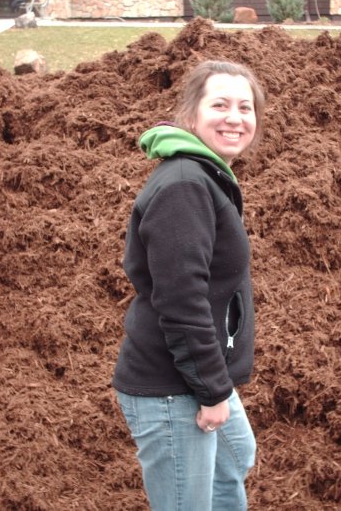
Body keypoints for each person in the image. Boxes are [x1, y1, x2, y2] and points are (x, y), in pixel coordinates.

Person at [112, 59, 265, 511]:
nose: (235, 118)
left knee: (236, 458)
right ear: (191, 114)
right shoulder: (185, 185)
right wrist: (213, 390)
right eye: (219, 104)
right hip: (172, 385)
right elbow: (182, 300)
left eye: (245, 106)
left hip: (196, 373)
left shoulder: (205, 176)